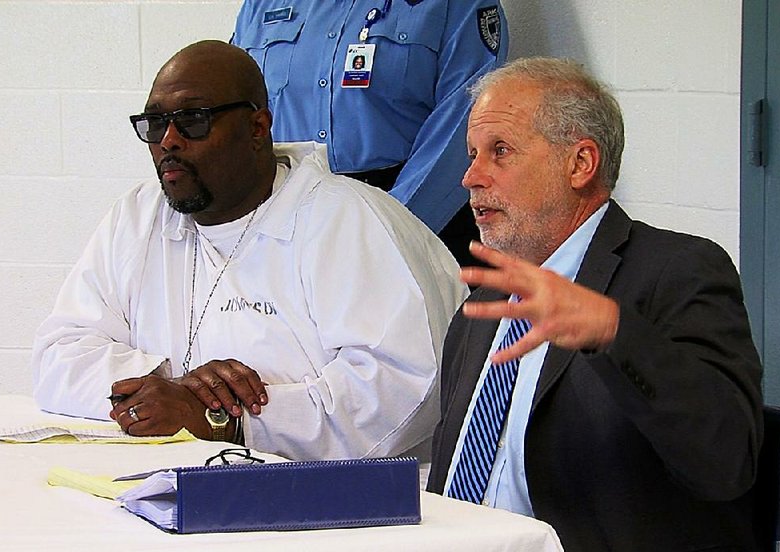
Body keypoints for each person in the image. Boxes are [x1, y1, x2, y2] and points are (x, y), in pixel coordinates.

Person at [31, 40, 468, 463]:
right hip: (177, 487)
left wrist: (221, 418)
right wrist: (175, 387)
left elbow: (403, 390)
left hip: (341, 507)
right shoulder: (137, 217)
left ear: (257, 127)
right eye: (154, 124)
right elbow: (58, 358)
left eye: (192, 120)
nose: (168, 141)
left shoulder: (347, 220)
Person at [426, 57, 763, 551]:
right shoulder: (485, 303)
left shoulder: (678, 270)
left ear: (580, 164)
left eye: (500, 152)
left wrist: (612, 331)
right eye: (472, 154)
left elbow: (727, 463)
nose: (471, 177)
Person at [230, 0, 509, 267]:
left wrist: (386, 231)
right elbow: (233, 111)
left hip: (417, 217)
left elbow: (461, 125)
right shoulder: (261, 4)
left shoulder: (455, 4)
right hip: (284, 223)